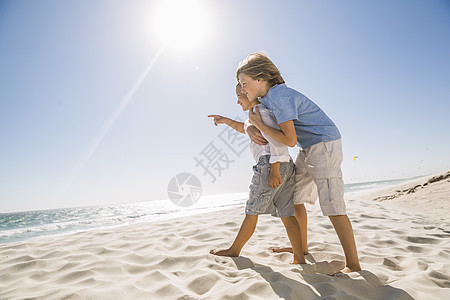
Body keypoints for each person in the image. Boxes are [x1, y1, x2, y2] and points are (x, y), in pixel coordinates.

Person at [237, 52, 361, 273]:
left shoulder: (279, 97)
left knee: (333, 205)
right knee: (295, 197)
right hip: (309, 147)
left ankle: (353, 263)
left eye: (244, 83)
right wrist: (250, 125)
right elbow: (253, 119)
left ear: (260, 78)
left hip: (324, 144)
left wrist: (259, 125)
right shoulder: (268, 99)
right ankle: (301, 247)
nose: (243, 89)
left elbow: (289, 140)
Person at [207, 84, 305, 264]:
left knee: (251, 211)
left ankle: (234, 250)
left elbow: (276, 141)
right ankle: (299, 258)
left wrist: (274, 168)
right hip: (285, 164)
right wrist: (225, 120)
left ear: (248, 92)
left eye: (239, 95)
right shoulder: (256, 113)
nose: (237, 100)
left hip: (271, 164)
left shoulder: (260, 112)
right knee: (287, 213)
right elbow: (243, 128)